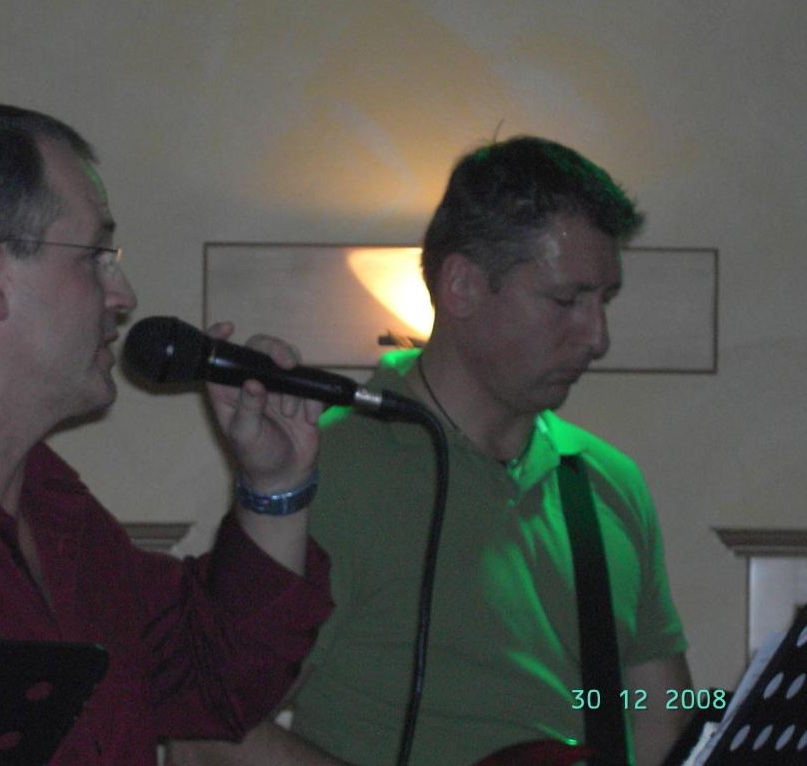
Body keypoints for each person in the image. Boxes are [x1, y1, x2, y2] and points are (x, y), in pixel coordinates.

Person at [0, 102, 333, 766]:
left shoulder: (63, 519)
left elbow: (220, 682)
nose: (123, 294)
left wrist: (274, 484)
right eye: (96, 255)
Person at [168, 137, 692, 766]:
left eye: (604, 301)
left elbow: (663, 720)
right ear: (463, 286)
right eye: (565, 300)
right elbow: (207, 738)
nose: (597, 337)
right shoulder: (327, 469)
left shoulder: (608, 482)